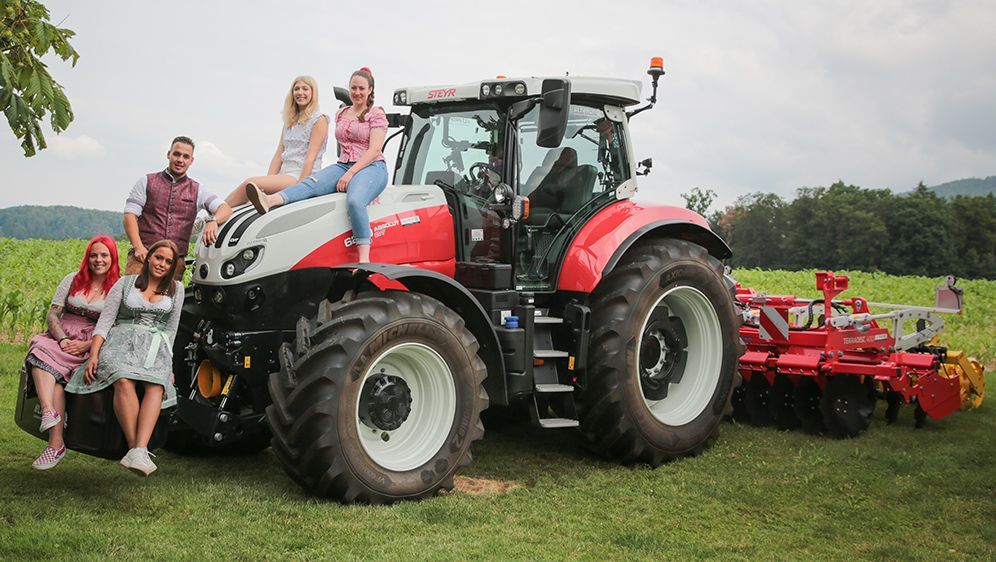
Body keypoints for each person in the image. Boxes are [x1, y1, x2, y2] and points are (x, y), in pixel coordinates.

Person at [65, 240, 184, 477]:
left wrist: (168, 363)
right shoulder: (125, 284)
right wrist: (94, 354)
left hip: (154, 346)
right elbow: (105, 322)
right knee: (123, 378)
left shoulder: (176, 289)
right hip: (121, 341)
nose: (162, 264)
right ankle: (137, 449)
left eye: (168, 261)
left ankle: (137, 450)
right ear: (149, 257)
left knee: (156, 384)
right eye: (159, 257)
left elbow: (171, 330)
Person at [247, 67, 389, 263]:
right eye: (353, 88)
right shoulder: (341, 113)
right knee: (310, 183)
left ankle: (364, 258)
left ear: (370, 90)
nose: (357, 92)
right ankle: (269, 200)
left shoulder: (376, 114)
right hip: (344, 164)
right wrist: (343, 171)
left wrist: (351, 174)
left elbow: (374, 150)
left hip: (371, 166)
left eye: (361, 88)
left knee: (355, 201)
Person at [25, 235, 121, 470]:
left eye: (104, 255)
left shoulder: (118, 287)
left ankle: (56, 445)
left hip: (92, 339)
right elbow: (53, 314)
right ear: (88, 257)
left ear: (112, 258)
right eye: (94, 255)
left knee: (59, 380)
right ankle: (49, 413)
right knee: (39, 349)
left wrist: (87, 346)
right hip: (63, 334)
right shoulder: (72, 280)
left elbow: (116, 326)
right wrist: (63, 339)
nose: (98, 260)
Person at [123, 136, 233, 279]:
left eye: (186, 156)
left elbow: (225, 209)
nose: (180, 160)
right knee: (131, 298)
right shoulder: (146, 181)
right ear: (168, 154)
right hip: (143, 257)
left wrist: (213, 220)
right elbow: (129, 215)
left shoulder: (198, 190)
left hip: (174, 263)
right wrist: (138, 247)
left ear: (191, 161)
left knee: (168, 301)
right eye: (176, 154)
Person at [224, 76, 330, 207]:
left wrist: (300, 188)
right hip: (284, 174)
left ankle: (217, 213)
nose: (300, 92)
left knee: (249, 183)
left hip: (300, 175)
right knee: (249, 197)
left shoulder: (319, 120)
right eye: (296, 89)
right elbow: (278, 155)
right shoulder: (290, 121)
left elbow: (311, 158)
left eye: (305, 89)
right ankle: (220, 213)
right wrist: (267, 183)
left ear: (313, 93)